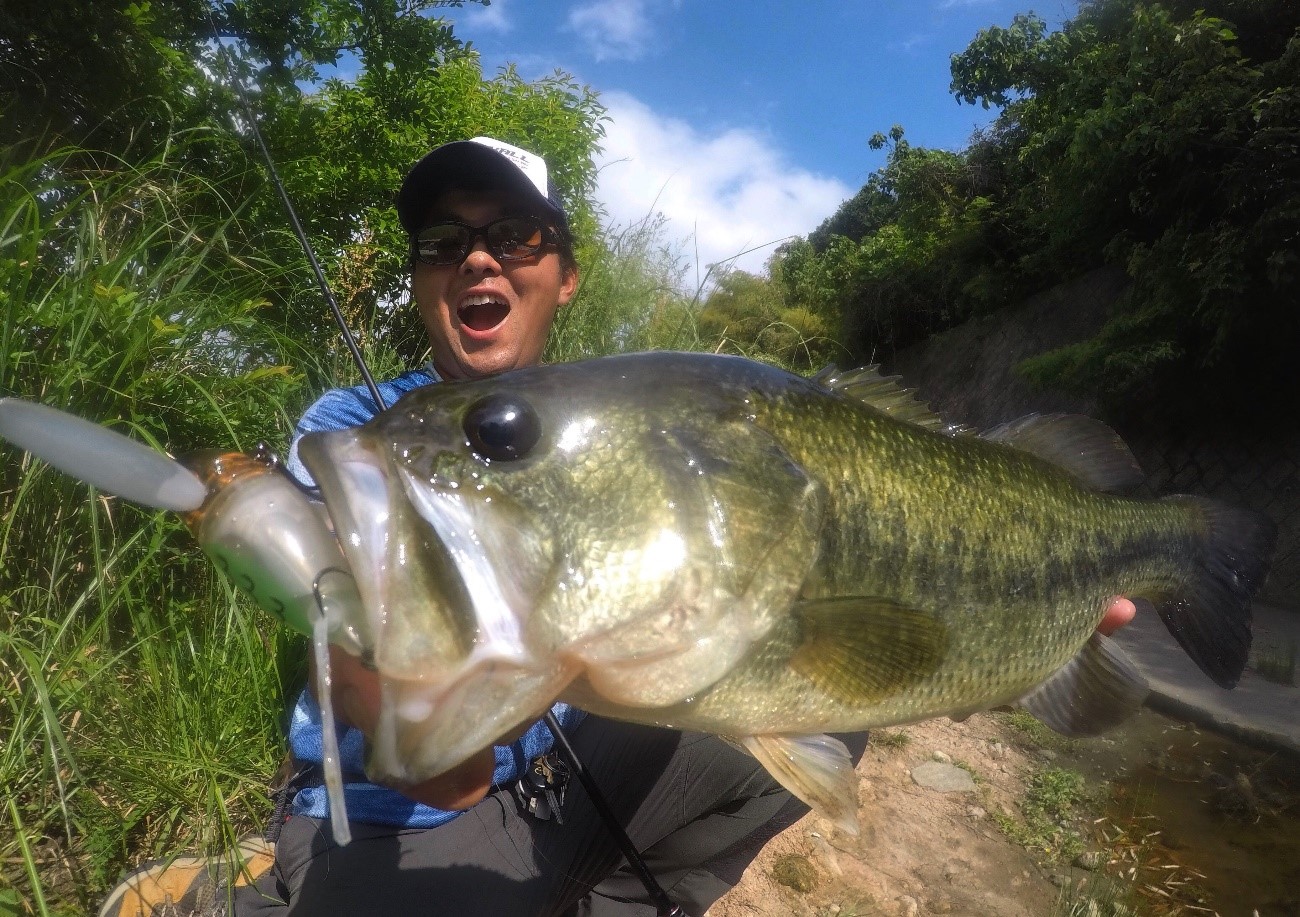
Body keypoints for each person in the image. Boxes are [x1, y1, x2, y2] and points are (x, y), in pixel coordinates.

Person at [101, 137, 1138, 917]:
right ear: (421, 279)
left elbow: (869, 646)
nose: (477, 262)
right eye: (444, 242)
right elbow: (441, 766)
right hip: (414, 803)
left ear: (563, 273)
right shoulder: (355, 432)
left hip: (560, 770)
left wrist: (1017, 634)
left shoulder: (639, 411)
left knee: (807, 716)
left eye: (513, 236)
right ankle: (243, 893)